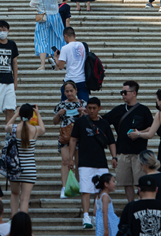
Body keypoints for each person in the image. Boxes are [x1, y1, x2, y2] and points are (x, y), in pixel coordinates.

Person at [102, 80, 154, 202]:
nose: (123, 95)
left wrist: (139, 134)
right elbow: (103, 121)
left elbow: (151, 127)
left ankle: (143, 203)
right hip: (123, 152)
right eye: (122, 92)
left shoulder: (143, 110)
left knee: (140, 181)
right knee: (127, 182)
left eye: (125, 92)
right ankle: (131, 205)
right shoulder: (118, 110)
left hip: (139, 153)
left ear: (134, 93)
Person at [69, 97, 116, 229]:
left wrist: (114, 157)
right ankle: (86, 216)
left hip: (101, 161)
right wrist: (70, 158)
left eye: (94, 108)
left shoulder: (104, 123)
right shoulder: (80, 122)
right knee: (86, 190)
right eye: (89, 108)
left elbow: (111, 141)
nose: (91, 110)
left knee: (101, 190)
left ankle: (96, 215)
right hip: (84, 161)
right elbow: (73, 140)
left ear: (99, 108)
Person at [129, 89, 161, 191]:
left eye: (156, 100)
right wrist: (140, 131)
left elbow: (151, 134)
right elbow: (152, 128)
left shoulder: (160, 114)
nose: (156, 102)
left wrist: (137, 134)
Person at [6, 104, 44, 215]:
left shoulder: (13, 128)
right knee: (25, 199)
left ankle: (13, 219)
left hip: (15, 167)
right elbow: (43, 129)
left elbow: (6, 126)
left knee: (14, 194)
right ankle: (22, 224)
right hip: (29, 168)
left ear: (20, 115)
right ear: (31, 115)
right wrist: (38, 113)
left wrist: (15, 115)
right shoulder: (36, 130)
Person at [54, 81, 87, 198]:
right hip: (65, 136)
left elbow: (88, 120)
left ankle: (76, 186)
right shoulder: (61, 105)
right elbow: (55, 122)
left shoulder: (83, 103)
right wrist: (58, 114)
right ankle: (64, 187)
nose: (69, 93)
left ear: (76, 90)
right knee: (65, 161)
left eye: (71, 91)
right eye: (66, 91)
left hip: (79, 136)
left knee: (78, 162)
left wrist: (83, 113)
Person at [30, 0, 65, 70]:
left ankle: (42, 65)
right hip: (55, 18)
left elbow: (31, 4)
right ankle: (57, 64)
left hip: (43, 17)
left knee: (42, 40)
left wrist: (39, 7)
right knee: (57, 39)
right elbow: (61, 0)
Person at [55, 27, 89, 101]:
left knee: (64, 104)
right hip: (82, 80)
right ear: (75, 35)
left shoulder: (65, 48)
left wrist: (56, 58)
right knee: (84, 104)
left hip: (70, 80)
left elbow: (60, 67)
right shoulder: (84, 46)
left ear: (65, 36)